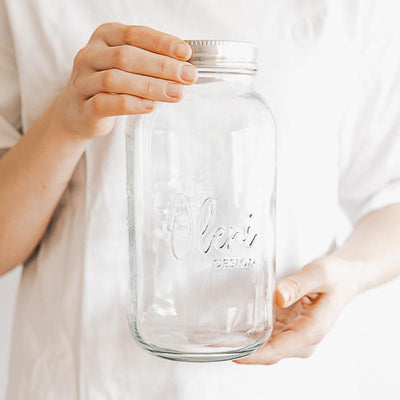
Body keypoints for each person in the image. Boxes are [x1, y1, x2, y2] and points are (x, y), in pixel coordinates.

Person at [1, 1, 400, 399]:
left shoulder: (358, 9)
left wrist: (350, 273)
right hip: (77, 377)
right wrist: (65, 123)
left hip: (280, 380)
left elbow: (392, 190)